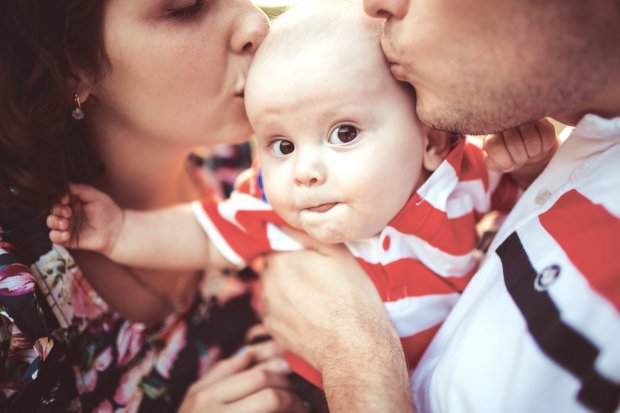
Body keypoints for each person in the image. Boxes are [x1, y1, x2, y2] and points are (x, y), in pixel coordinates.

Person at [47, 0, 557, 394]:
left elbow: (532, 204)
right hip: (314, 391)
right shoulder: (269, 197)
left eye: (344, 134)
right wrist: (119, 232)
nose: (306, 171)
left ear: (429, 137)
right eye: (283, 145)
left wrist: (530, 160)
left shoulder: (457, 177)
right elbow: (203, 232)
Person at [257, 0, 620, 412]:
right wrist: (532, 172)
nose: (375, 5)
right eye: (282, 145)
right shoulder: (584, 157)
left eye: (345, 132)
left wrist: (353, 350)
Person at [0, 1, 308, 412]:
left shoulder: (253, 163)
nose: (255, 22)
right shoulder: (14, 300)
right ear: (70, 66)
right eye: (186, 7)